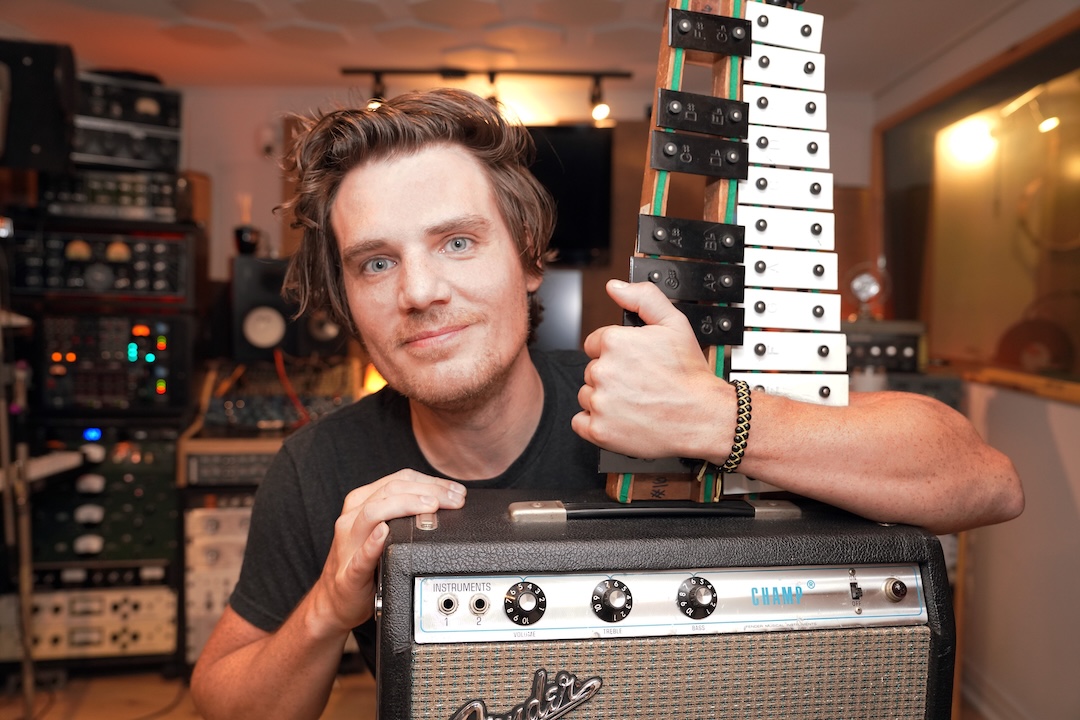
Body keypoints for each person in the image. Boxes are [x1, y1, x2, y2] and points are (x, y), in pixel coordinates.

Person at [189, 88, 1023, 720]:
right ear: (347, 298)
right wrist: (326, 610)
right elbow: (223, 700)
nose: (419, 291)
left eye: (457, 242)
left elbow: (985, 482)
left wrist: (719, 419)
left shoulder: (656, 405)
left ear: (528, 260)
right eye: (376, 263)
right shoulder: (319, 467)